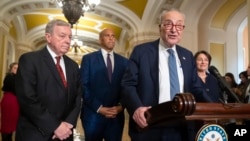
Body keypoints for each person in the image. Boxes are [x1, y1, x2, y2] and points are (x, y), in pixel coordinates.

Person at [121, 9, 212, 141]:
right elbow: (128, 84)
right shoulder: (141, 52)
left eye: (179, 25)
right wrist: (137, 108)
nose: (174, 30)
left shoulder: (187, 55)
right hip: (150, 123)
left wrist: (215, 108)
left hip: (182, 126)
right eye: (168, 24)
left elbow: (196, 87)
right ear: (160, 27)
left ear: (183, 29)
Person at [15, 19, 82, 141]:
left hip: (66, 134)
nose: (68, 41)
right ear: (48, 37)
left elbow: (77, 97)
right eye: (62, 36)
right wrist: (55, 126)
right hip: (36, 133)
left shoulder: (73, 65)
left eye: (70, 37)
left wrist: (68, 123)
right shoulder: (30, 60)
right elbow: (28, 99)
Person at [80, 28, 128, 141]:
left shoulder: (124, 62)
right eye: (107, 35)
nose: (111, 38)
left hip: (116, 117)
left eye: (113, 36)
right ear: (100, 40)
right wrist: (99, 108)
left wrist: (121, 106)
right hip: (93, 116)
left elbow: (127, 87)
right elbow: (83, 85)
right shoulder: (88, 59)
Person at [0, 62, 19, 141]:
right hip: (9, 101)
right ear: (11, 69)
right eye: (15, 68)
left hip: (14, 102)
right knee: (7, 124)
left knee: (11, 124)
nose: (17, 70)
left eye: (18, 68)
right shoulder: (9, 77)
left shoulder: (17, 78)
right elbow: (15, 90)